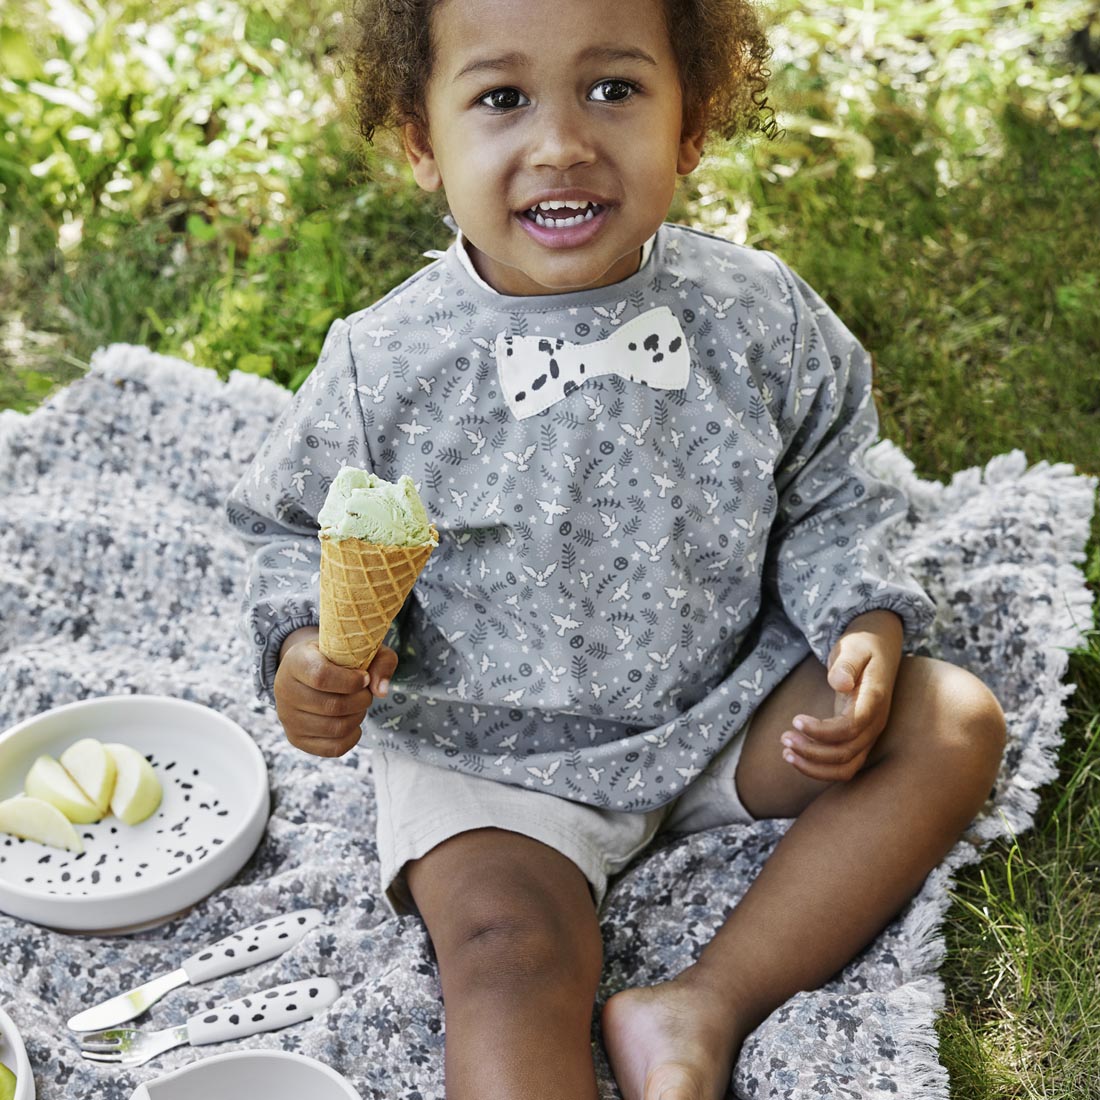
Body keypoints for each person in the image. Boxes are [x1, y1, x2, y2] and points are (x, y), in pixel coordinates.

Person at [225, 0, 1006, 1096]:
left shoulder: (757, 315)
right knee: (504, 956)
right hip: (494, 760)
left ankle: (701, 1003)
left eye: (613, 89)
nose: (561, 144)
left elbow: (835, 481)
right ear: (420, 140)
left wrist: (860, 623)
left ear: (690, 124)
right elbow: (288, 528)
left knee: (949, 717)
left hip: (718, 707)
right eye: (500, 99)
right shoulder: (383, 365)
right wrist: (305, 647)